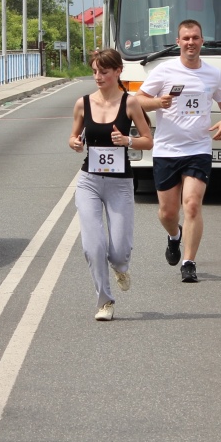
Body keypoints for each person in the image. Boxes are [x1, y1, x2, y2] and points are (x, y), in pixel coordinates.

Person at [138, 19, 221, 284]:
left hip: (198, 148)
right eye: (186, 38)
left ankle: (189, 262)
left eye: (195, 38)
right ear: (178, 42)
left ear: (202, 41)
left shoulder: (213, 74)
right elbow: (138, 101)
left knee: (192, 204)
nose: (191, 42)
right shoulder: (164, 70)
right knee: (167, 213)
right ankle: (174, 236)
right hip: (167, 150)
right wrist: (157, 102)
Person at [69, 48, 153, 321]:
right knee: (93, 246)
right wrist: (75, 143)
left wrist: (128, 141)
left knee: (119, 251)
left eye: (104, 71)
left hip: (120, 183)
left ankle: (120, 267)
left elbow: (148, 141)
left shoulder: (130, 103)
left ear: (118, 72)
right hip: (89, 182)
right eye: (94, 71)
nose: (98, 76)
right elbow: (73, 137)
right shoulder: (83, 103)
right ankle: (104, 301)